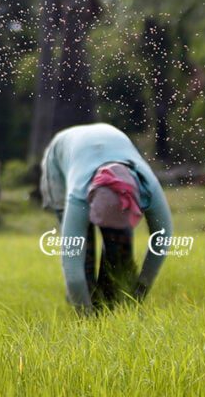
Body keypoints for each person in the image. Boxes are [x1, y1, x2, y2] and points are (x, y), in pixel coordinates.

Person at [40, 123, 173, 313]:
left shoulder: (148, 187)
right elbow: (73, 272)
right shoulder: (77, 196)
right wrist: (85, 318)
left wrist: (139, 291)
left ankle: (111, 304)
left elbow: (161, 241)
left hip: (109, 141)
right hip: (62, 154)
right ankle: (89, 305)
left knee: (119, 252)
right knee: (84, 254)